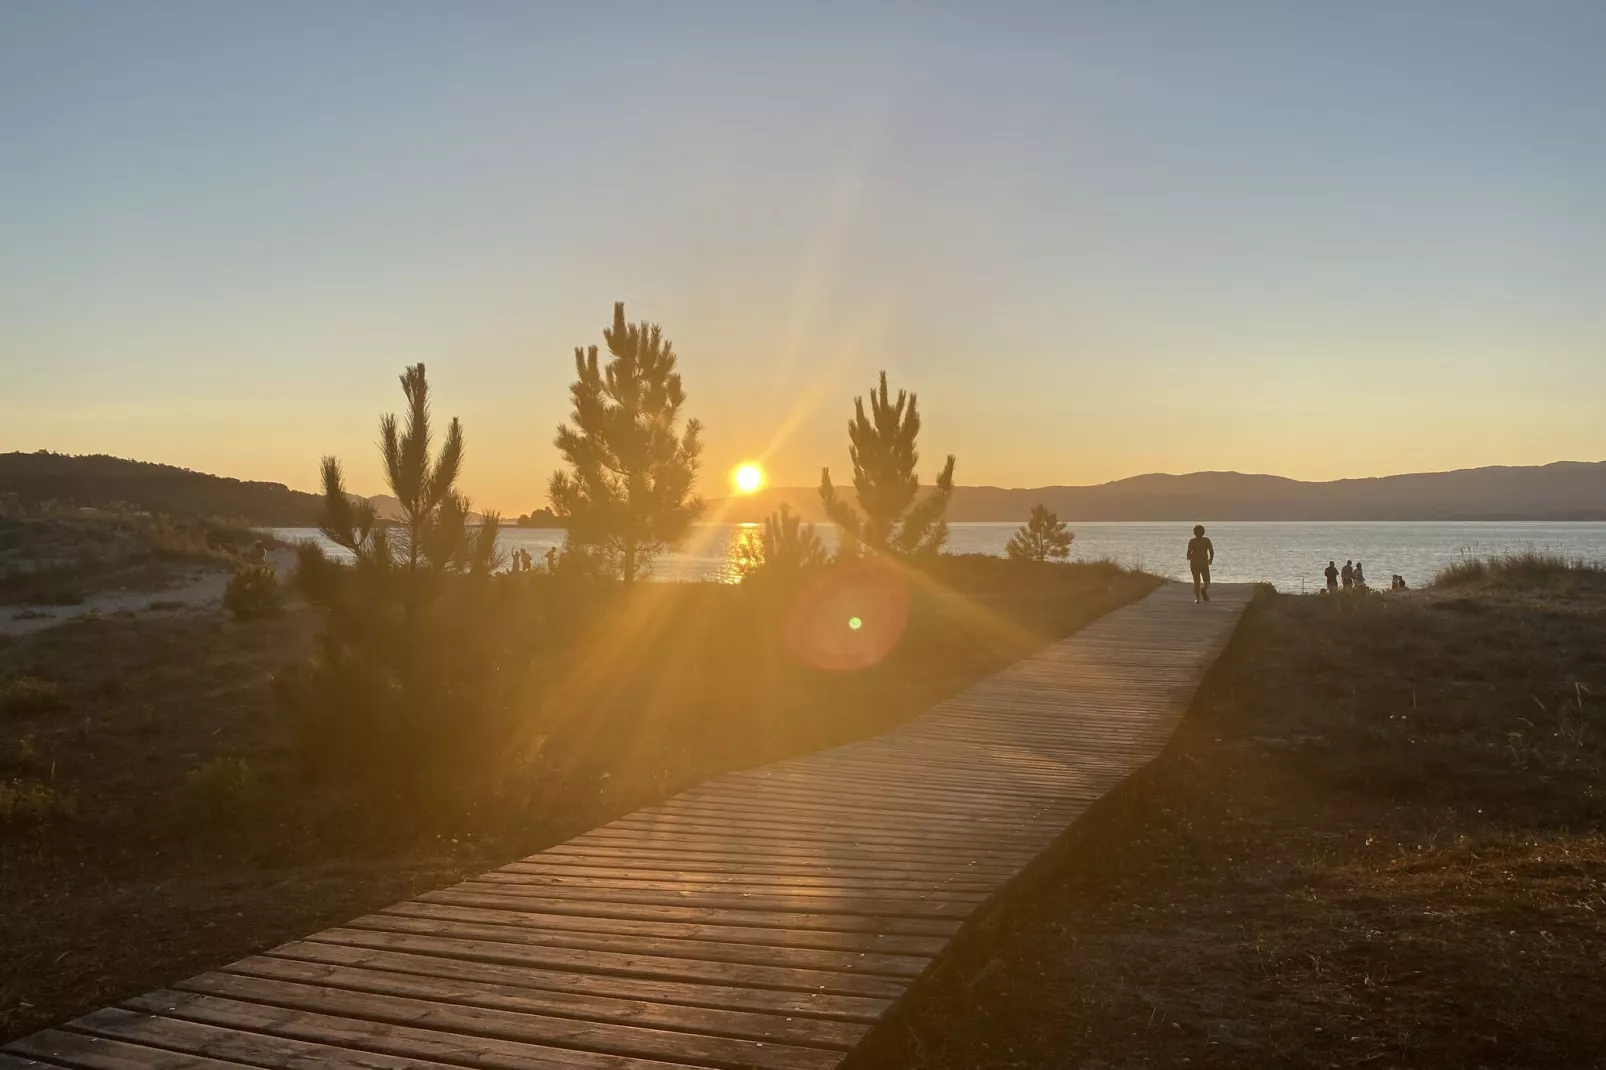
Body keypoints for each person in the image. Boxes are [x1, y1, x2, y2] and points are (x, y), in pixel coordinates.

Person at [1186, 524, 1214, 603]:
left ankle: (1198, 599)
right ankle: (1203, 590)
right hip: (1203, 562)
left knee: (1197, 581)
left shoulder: (1192, 541)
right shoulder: (1206, 540)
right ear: (1203, 532)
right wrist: (1211, 559)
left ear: (1194, 533)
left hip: (1195, 563)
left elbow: (1188, 553)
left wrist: (1190, 557)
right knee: (1206, 580)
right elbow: (1211, 551)